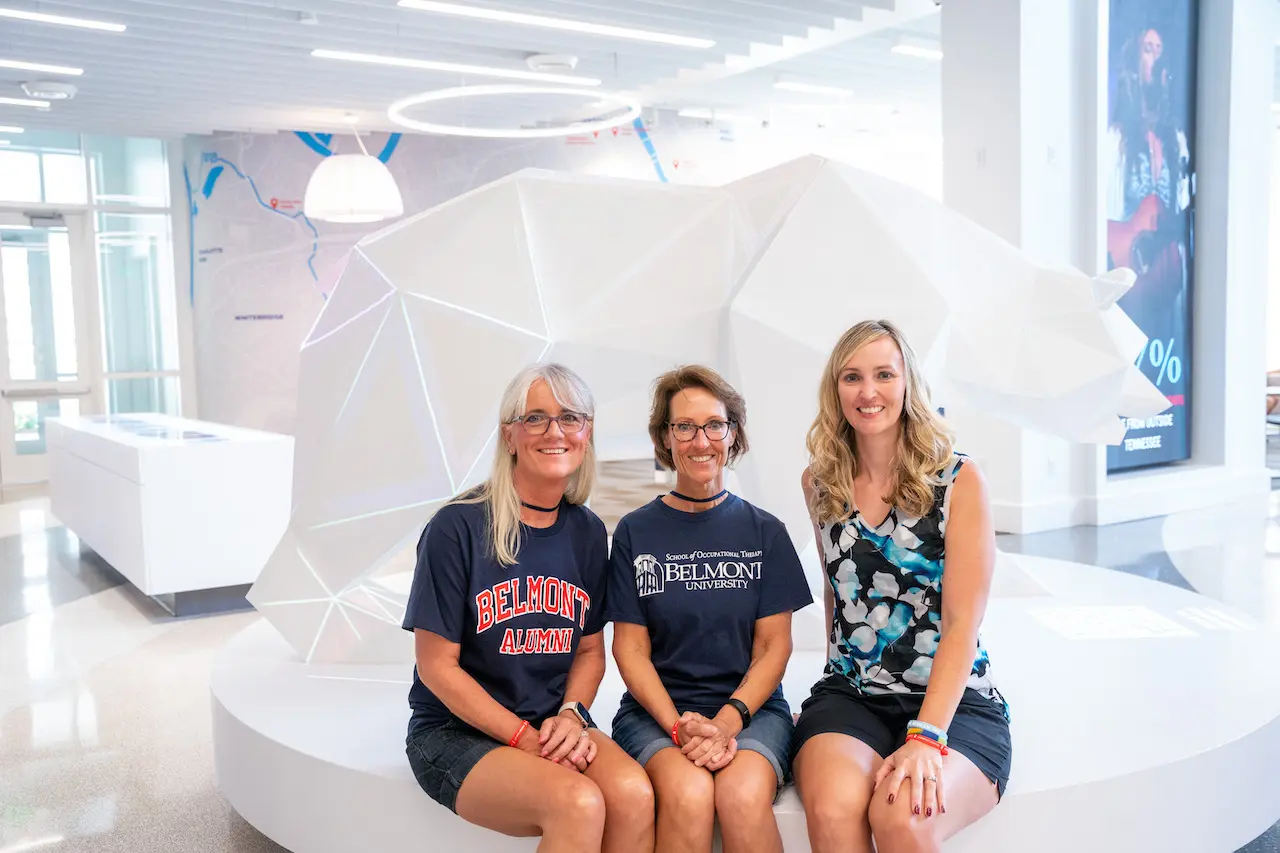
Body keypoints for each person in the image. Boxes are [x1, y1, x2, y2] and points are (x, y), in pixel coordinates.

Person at [403, 363, 655, 853]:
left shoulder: (586, 532)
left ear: (587, 433)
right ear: (509, 436)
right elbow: (436, 668)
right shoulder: (456, 527)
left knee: (634, 794)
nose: (554, 432)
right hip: (455, 732)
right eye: (535, 418)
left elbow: (587, 653)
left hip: (549, 724)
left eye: (569, 418)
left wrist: (572, 715)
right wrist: (522, 737)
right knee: (577, 802)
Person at [792, 321, 1011, 853]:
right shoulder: (820, 483)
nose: (868, 392)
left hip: (953, 705)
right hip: (853, 695)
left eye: (884, 374)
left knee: (903, 818)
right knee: (833, 807)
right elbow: (835, 598)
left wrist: (927, 735)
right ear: (835, 389)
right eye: (852, 377)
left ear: (908, 382)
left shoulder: (959, 480)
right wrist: (829, 682)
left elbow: (962, 623)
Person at [606, 365, 814, 853]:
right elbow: (630, 650)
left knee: (741, 796)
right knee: (688, 792)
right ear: (666, 437)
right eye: (685, 426)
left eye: (714, 425)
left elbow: (773, 647)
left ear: (732, 433)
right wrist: (679, 725)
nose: (701, 440)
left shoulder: (765, 532)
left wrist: (727, 721)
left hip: (753, 710)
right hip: (656, 712)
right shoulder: (635, 532)